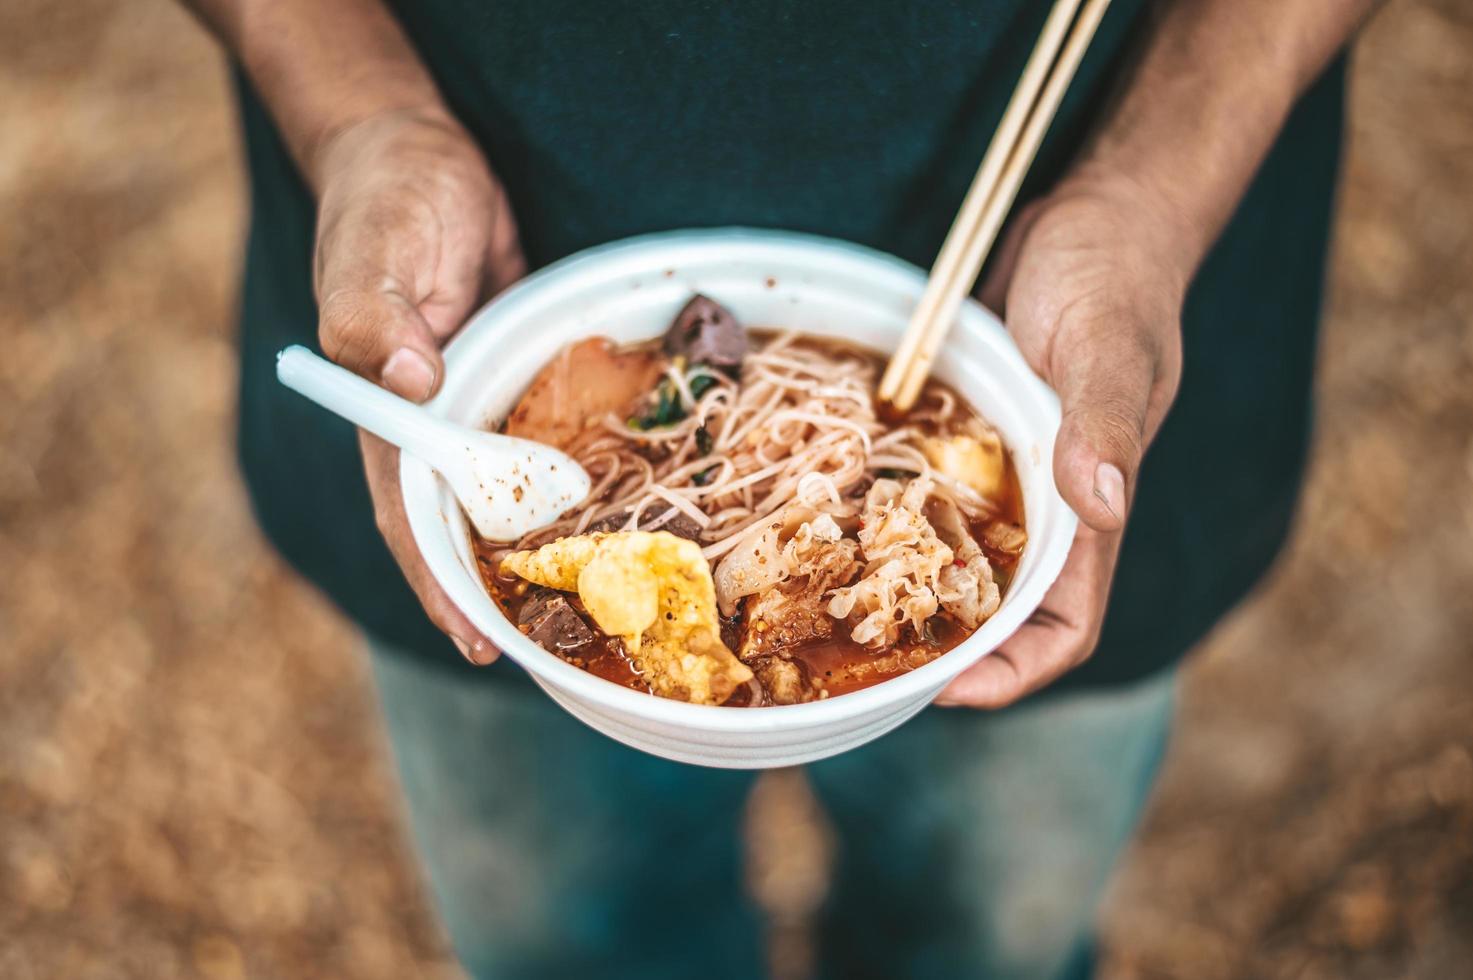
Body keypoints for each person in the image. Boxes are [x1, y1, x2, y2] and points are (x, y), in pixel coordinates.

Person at [184, 1, 1379, 976]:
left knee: (989, 936)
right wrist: (362, 115)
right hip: (466, 295)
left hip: (1072, 309)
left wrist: (1153, 195)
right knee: (567, 940)